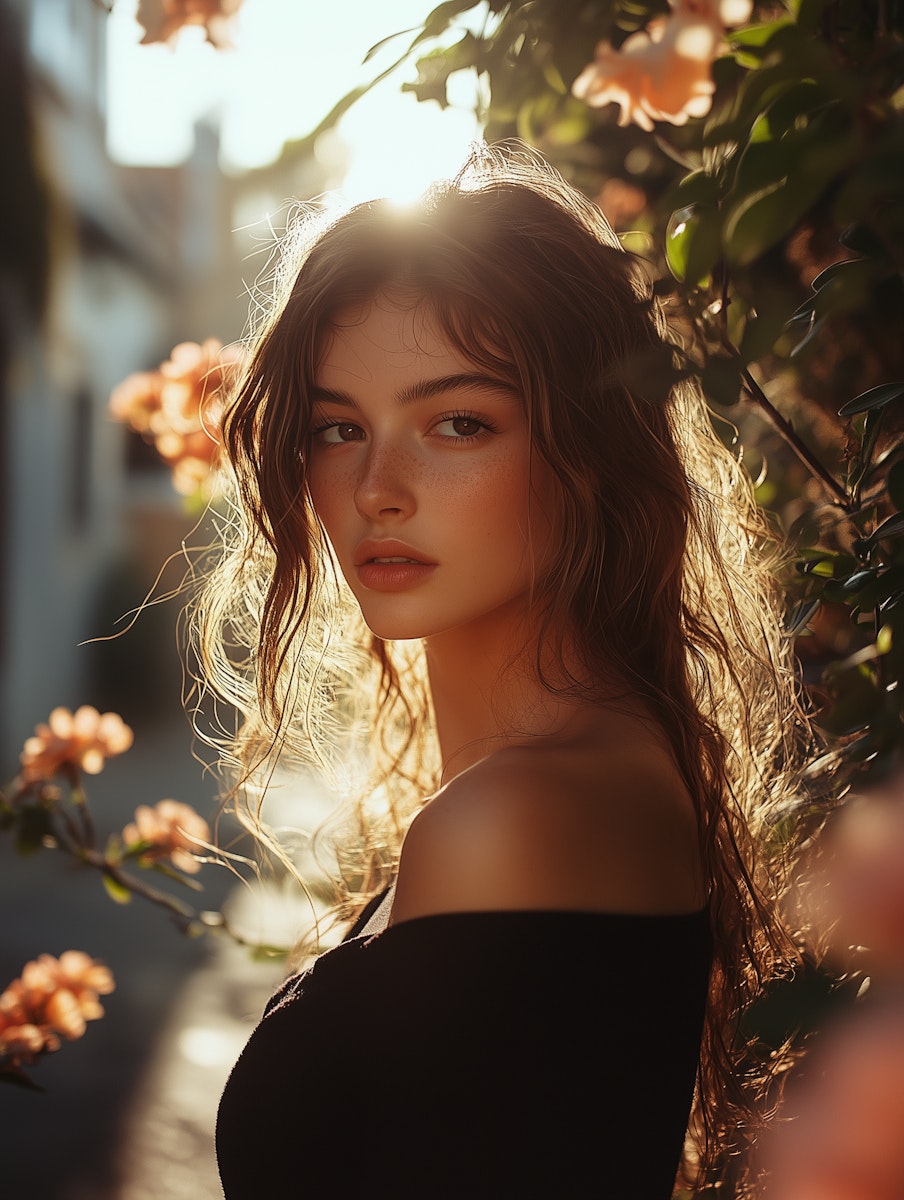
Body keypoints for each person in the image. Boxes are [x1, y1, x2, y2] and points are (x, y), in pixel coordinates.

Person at [199, 141, 808, 1198]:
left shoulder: (512, 819)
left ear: (590, 448)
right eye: (338, 427)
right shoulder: (595, 768)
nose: (376, 488)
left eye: (458, 422)